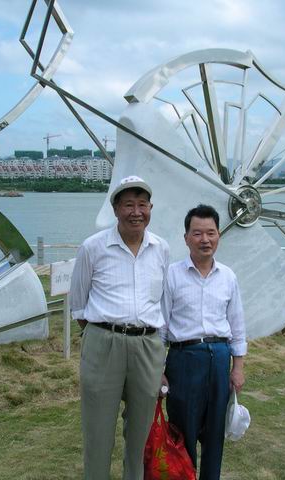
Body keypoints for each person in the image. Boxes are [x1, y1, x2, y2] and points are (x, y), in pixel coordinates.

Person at [70, 176, 169, 480]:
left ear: (150, 208)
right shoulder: (93, 247)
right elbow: (79, 305)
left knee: (141, 436)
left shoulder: (161, 249)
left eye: (142, 205)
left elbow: (162, 304)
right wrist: (104, 333)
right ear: (115, 210)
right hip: (104, 344)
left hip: (148, 347)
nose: (136, 212)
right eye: (128, 205)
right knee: (98, 434)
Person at [160, 204, 247, 480]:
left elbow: (237, 326)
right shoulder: (172, 275)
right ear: (186, 238)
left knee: (214, 432)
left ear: (219, 235)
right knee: (182, 430)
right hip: (183, 359)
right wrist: (157, 369)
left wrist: (238, 367)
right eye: (197, 233)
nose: (205, 239)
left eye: (211, 233)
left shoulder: (228, 277)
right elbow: (160, 326)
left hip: (219, 358)